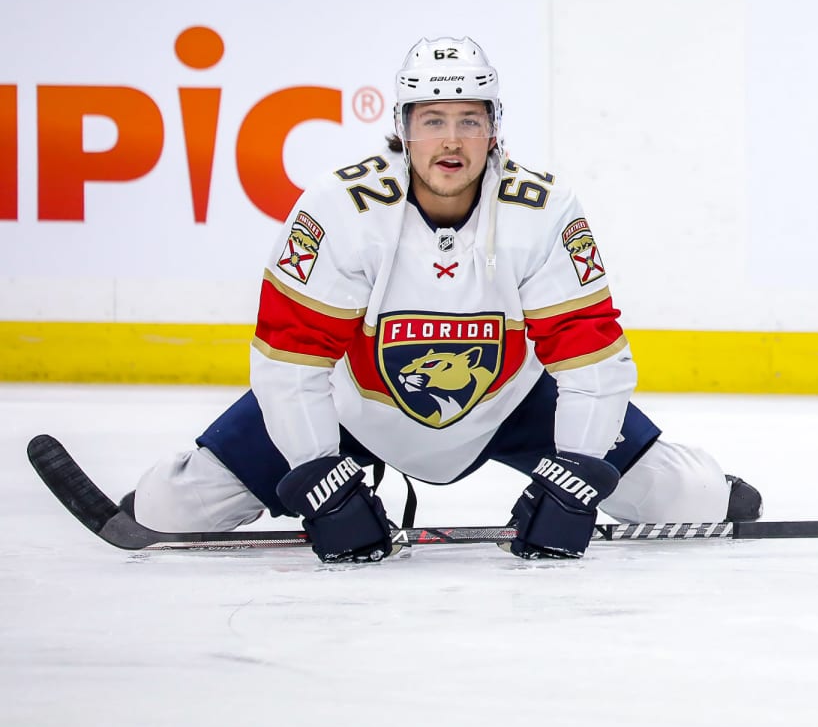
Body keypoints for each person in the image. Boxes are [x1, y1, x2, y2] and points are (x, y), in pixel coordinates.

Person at [128, 36, 760, 563]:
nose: (452, 141)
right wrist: (319, 477)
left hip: (513, 401)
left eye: (469, 120)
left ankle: (697, 480)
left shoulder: (541, 210)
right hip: (353, 405)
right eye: (432, 120)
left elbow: (592, 359)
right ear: (402, 130)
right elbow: (291, 361)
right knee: (166, 511)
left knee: (691, 501)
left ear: (494, 129)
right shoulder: (340, 207)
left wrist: (575, 477)